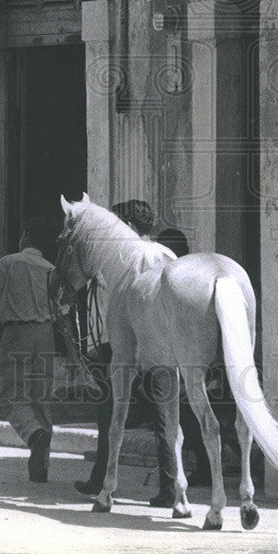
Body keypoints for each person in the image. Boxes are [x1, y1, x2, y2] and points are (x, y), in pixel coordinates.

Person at [74, 200, 180, 508]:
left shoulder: (126, 259)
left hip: (125, 345)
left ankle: (102, 482)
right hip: (162, 348)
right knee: (164, 418)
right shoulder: (167, 255)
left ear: (130, 227)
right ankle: (169, 488)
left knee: (110, 413)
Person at [0, 216, 62, 483]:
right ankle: (41, 467)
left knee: (10, 396)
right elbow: (60, 308)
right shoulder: (51, 269)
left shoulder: (8, 263)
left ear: (25, 234)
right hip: (45, 334)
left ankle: (33, 434)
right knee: (41, 398)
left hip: (17, 333)